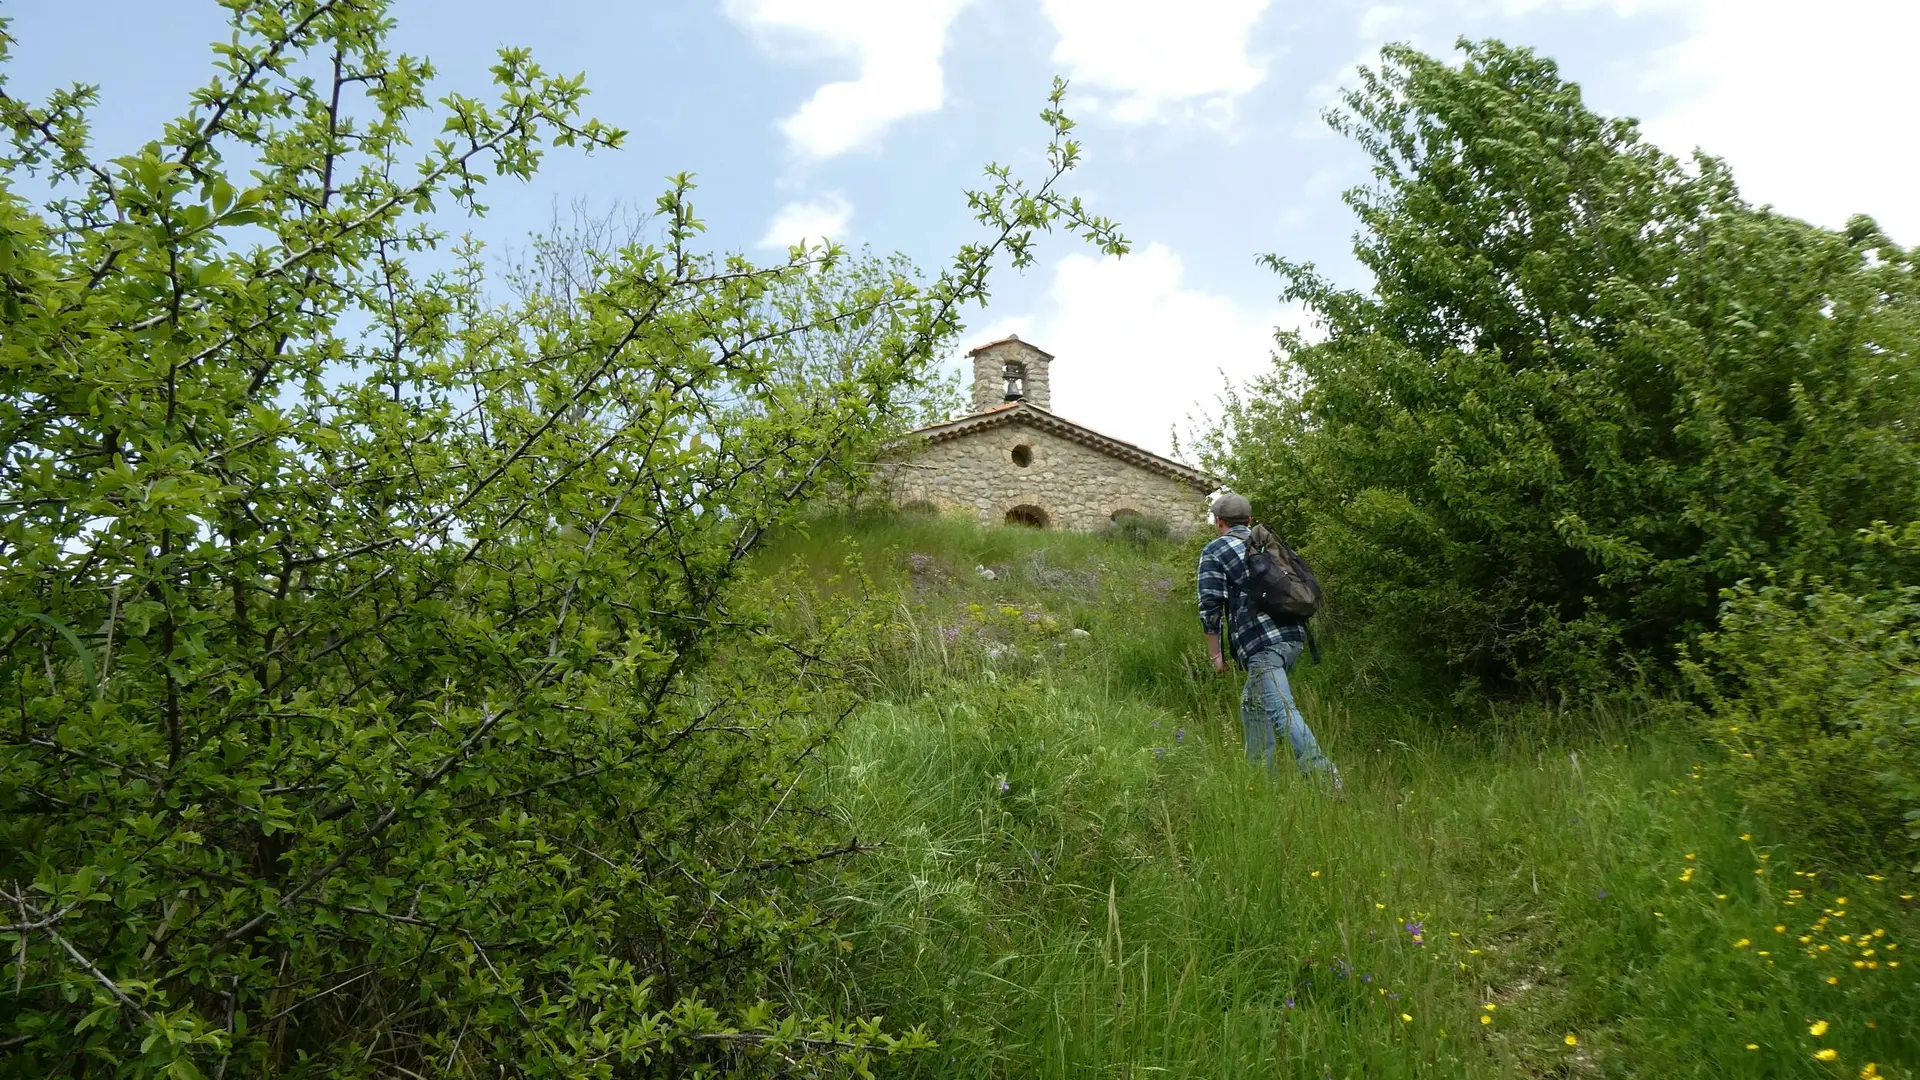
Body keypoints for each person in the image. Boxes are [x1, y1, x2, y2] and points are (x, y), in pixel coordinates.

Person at [1197, 491, 1343, 791]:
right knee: (1252, 704)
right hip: (1293, 638)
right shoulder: (1265, 544)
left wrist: (1216, 657)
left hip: (1262, 645)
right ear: (1249, 520)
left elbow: (1210, 606)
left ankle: (1326, 781)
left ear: (1219, 522)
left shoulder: (1215, 550)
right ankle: (1261, 780)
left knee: (1281, 709)